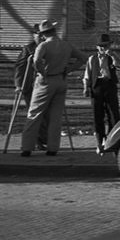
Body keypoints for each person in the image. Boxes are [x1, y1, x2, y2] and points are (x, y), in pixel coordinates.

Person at [20, 21, 76, 157]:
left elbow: (37, 61)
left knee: (34, 113)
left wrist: (42, 73)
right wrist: (68, 70)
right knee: (55, 117)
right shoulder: (66, 45)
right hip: (61, 80)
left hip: (46, 81)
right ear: (54, 31)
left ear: (43, 34)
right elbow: (84, 58)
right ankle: (52, 148)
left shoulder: (43, 45)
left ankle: (27, 148)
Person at [83, 34, 120, 154]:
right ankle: (100, 142)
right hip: (97, 87)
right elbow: (87, 75)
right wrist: (86, 87)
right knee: (97, 115)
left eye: (105, 46)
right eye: (101, 46)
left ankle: (113, 141)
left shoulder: (112, 57)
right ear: (97, 47)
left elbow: (119, 65)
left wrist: (113, 55)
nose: (103, 48)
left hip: (109, 85)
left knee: (113, 115)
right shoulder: (92, 59)